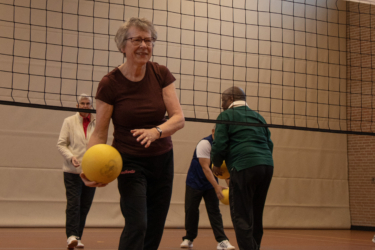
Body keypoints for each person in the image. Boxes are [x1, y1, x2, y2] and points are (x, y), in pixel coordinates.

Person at [80, 17, 185, 250]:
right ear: (122, 46)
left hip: (162, 160)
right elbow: (99, 133)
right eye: (136, 39)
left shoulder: (161, 74)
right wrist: (88, 167)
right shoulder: (110, 83)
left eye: (148, 40)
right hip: (129, 160)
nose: (144, 45)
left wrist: (156, 132)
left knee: (155, 226)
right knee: (138, 224)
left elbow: (178, 119)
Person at [211, 87, 274, 250]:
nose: (222, 105)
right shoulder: (258, 117)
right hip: (266, 166)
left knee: (241, 216)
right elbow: (269, 144)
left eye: (223, 101)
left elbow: (219, 145)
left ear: (230, 98)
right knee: (256, 213)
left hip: (244, 165)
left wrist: (216, 165)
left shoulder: (225, 116)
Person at [181, 127, 235, 250]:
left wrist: (231, 186)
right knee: (191, 210)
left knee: (214, 211)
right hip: (194, 182)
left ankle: (222, 241)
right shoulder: (205, 144)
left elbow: (225, 171)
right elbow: (206, 168)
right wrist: (216, 187)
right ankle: (189, 238)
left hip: (210, 183)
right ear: (213, 132)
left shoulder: (224, 148)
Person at [57, 94, 96, 249]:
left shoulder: (97, 122)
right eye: (82, 103)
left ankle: (78, 237)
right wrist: (71, 157)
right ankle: (71, 236)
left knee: (85, 205)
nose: (85, 106)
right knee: (74, 204)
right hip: (72, 171)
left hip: (91, 172)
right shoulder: (69, 122)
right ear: (77, 105)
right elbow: (61, 144)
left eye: (88, 103)